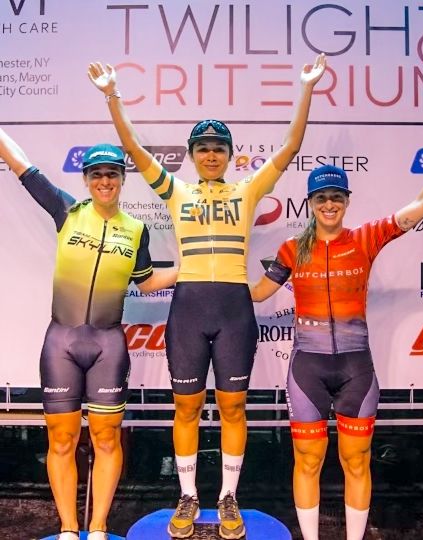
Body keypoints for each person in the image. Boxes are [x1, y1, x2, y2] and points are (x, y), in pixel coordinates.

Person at [88, 53, 327, 539]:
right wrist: (112, 96)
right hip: (190, 309)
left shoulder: (247, 190)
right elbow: (133, 150)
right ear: (193, 154)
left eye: (220, 147)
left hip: (235, 310)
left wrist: (306, 89)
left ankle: (229, 497)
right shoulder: (176, 191)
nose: (212, 154)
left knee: (235, 406)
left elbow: (291, 144)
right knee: (186, 408)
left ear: (231, 154)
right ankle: (188, 495)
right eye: (203, 147)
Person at [0, 130, 177, 540]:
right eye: (96, 174)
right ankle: (67, 528)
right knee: (61, 440)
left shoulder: (136, 230)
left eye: (112, 174)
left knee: (106, 438)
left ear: (121, 178)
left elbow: (147, 283)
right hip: (61, 342)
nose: (104, 181)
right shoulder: (66, 209)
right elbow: (22, 165)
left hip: (108, 345)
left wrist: (193, 267)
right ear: (86, 179)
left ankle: (97, 528)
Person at [250, 164, 423, 540]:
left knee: (357, 461)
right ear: (310, 204)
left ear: (347, 202)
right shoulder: (290, 250)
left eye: (336, 197)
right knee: (308, 460)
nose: (329, 204)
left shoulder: (366, 238)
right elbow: (257, 293)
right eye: (321, 198)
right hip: (307, 373)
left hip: (356, 371)